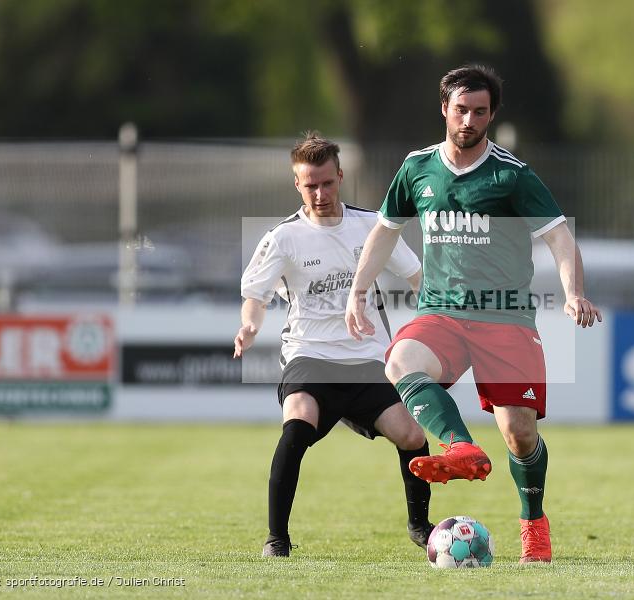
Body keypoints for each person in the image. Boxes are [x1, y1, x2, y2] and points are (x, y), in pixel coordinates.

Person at [345, 65, 601, 564]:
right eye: (461, 109)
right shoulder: (417, 168)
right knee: (400, 359)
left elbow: (559, 236)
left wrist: (573, 293)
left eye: (479, 111)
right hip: (442, 312)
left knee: (520, 434)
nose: (469, 120)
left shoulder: (512, 175)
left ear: (491, 115)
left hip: (506, 320)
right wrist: (357, 291)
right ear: (444, 108)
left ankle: (534, 526)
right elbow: (384, 230)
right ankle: (461, 448)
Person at [235, 133, 433, 557]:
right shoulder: (283, 238)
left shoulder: (373, 227)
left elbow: (417, 278)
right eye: (310, 185)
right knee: (299, 422)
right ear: (297, 185)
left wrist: (438, 315)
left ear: (340, 176)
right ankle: (277, 539)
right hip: (310, 355)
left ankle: (420, 526)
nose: (320, 193)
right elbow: (255, 296)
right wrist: (249, 327)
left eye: (327, 183)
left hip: (367, 358)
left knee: (412, 436)